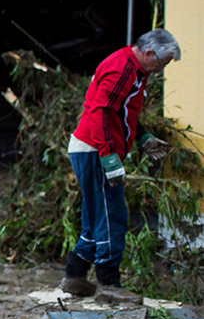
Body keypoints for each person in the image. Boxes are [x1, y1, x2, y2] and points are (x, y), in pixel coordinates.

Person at [61, 28, 181, 299]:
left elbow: (121, 112)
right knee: (112, 215)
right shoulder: (124, 68)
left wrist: (143, 137)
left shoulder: (133, 69)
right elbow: (99, 111)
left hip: (91, 149)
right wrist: (108, 155)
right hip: (94, 150)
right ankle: (109, 285)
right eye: (161, 64)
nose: (160, 70)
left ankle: (75, 276)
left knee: (94, 217)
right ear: (149, 53)